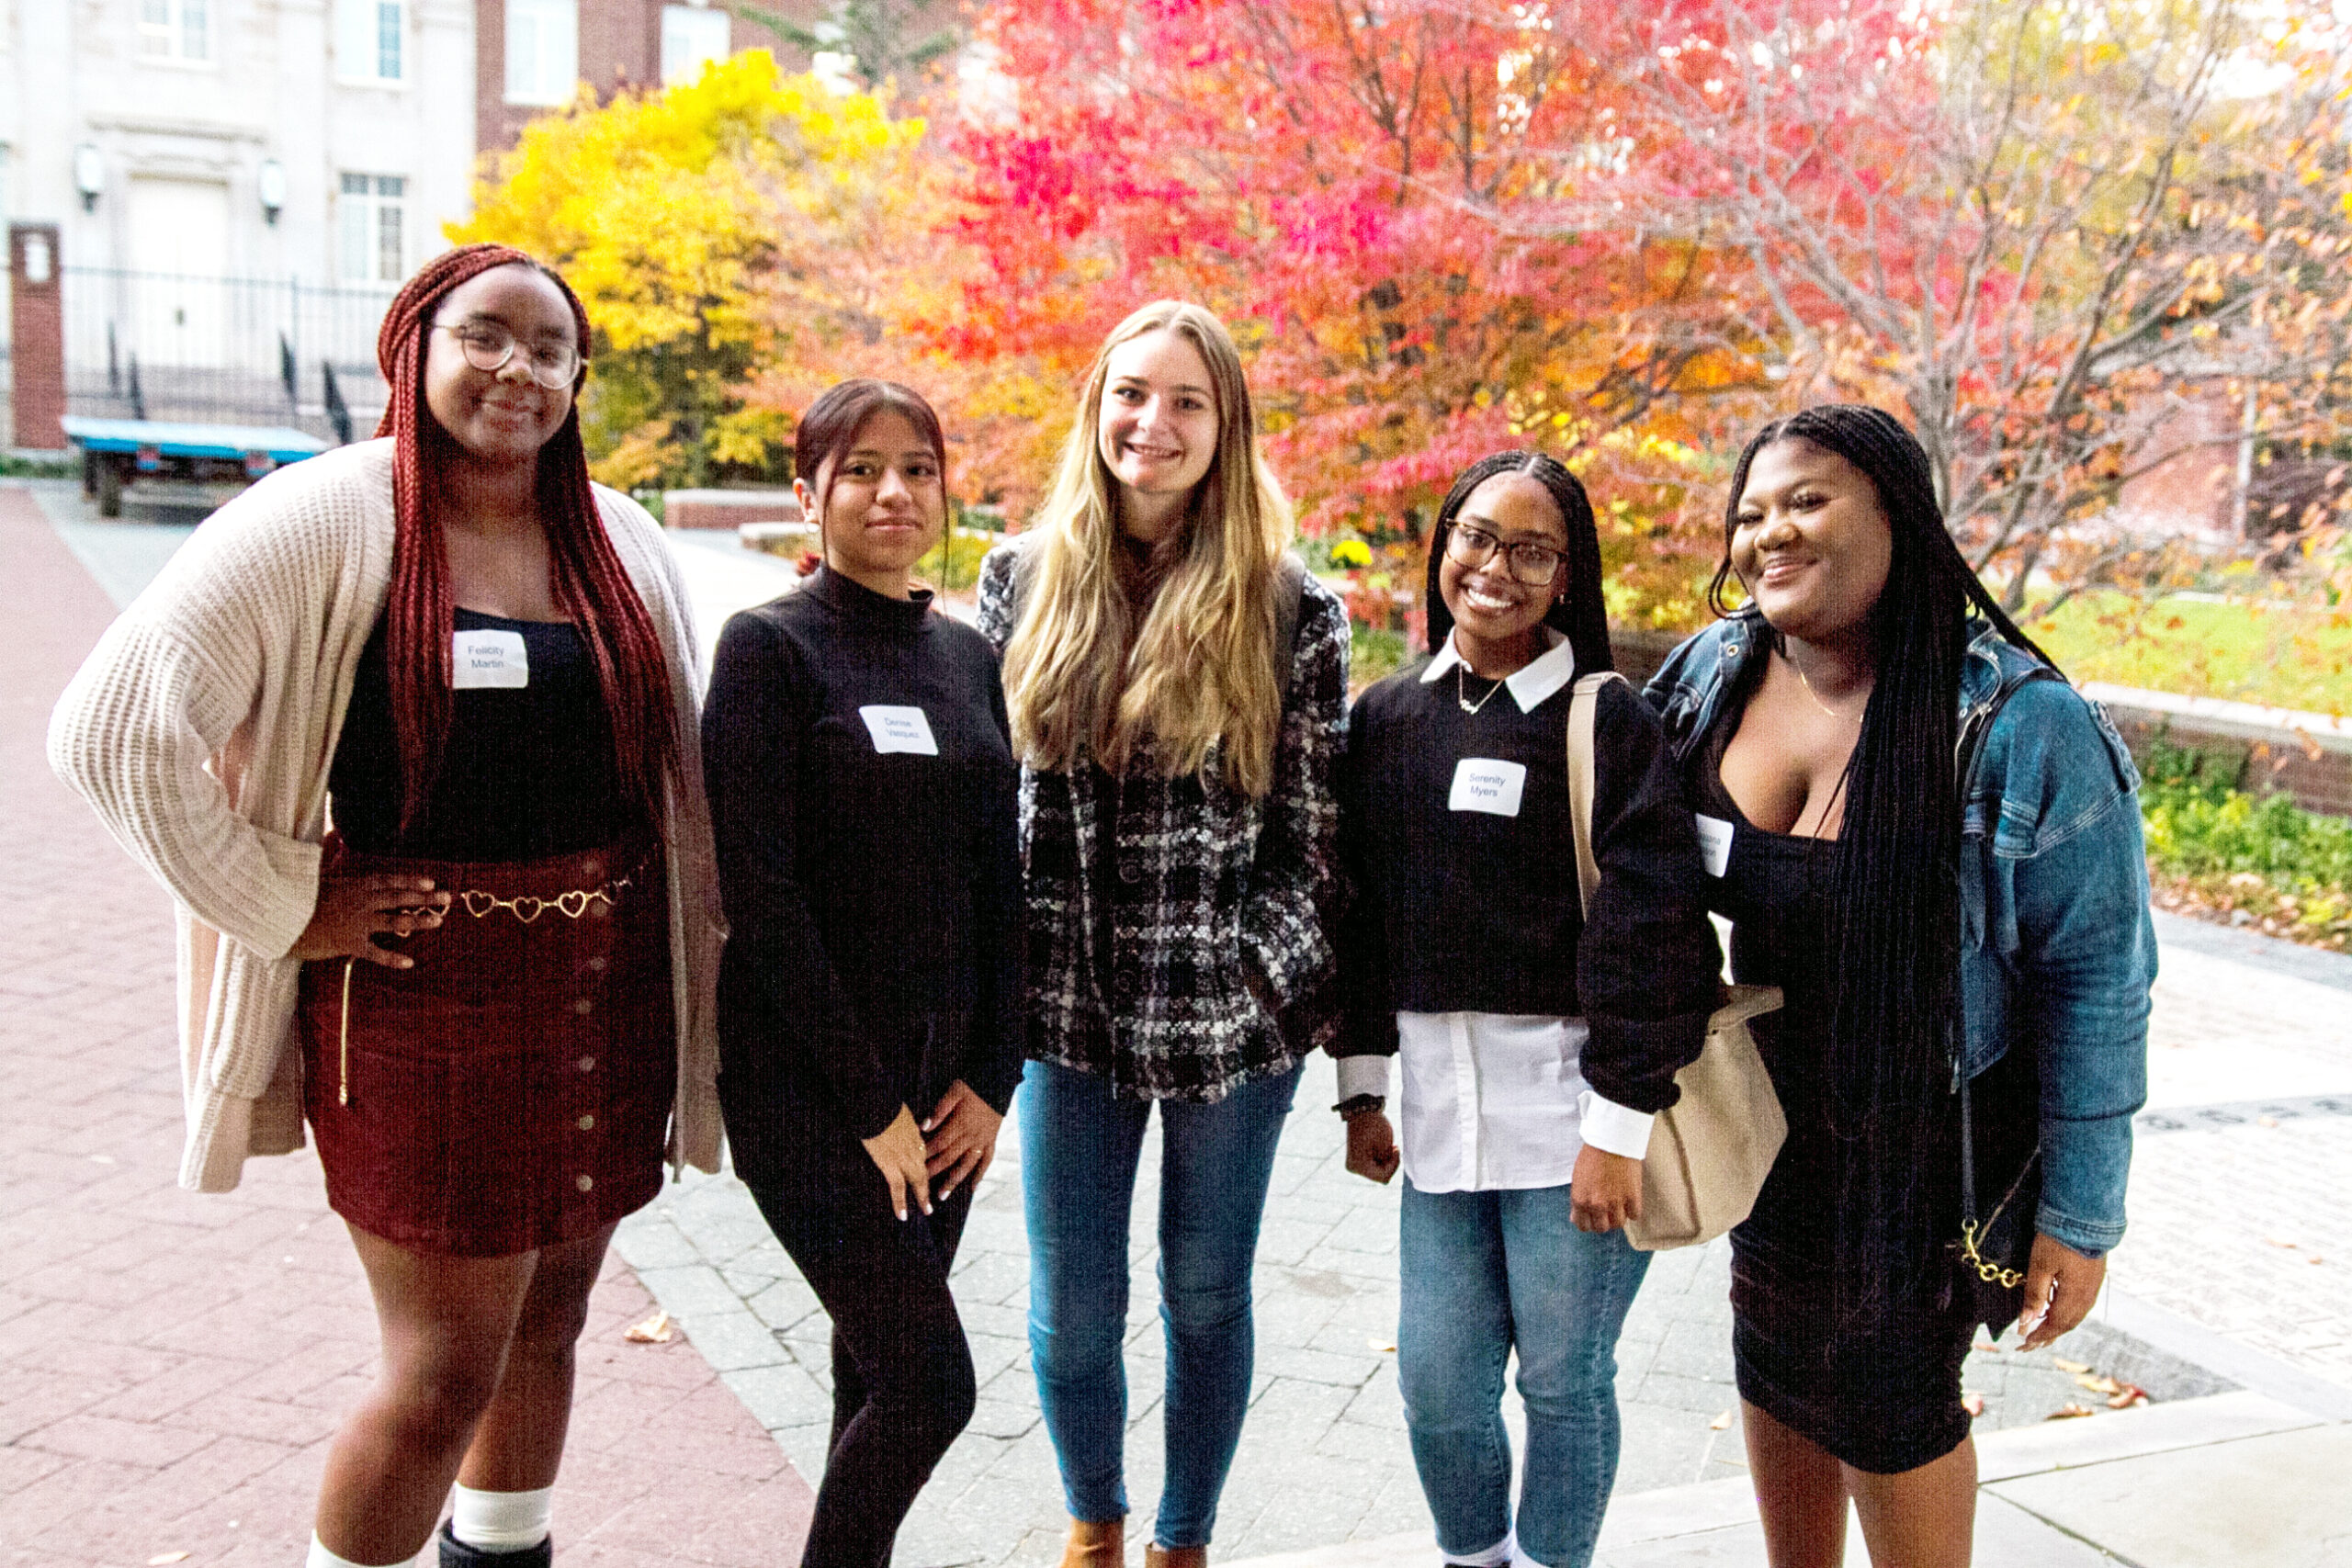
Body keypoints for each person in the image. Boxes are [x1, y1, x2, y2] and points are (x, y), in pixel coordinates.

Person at [47, 243, 724, 1568]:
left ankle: (502, 1550)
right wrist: (284, 900)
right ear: (411, 346)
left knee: (551, 1320)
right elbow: (112, 728)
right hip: (423, 1007)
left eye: (549, 346)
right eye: (484, 335)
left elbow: (679, 777)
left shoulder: (618, 535)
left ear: (580, 376)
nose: (517, 368)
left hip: (603, 990)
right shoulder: (324, 517)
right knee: (438, 1376)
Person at [1642, 405, 2154, 1567]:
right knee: (1770, 1362)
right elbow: (1613, 848)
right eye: (1750, 512)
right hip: (1765, 1114)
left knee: (1887, 1401)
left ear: (1897, 514)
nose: (1770, 531)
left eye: (1807, 500)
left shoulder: (2020, 728)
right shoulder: (1716, 671)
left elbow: (2097, 988)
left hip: (1931, 1134)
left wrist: (2081, 1218)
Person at [974, 300, 1350, 1568]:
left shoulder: (1294, 609)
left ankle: (1183, 1540)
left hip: (1226, 1018)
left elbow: (1316, 839)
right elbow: (986, 804)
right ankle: (1096, 1518)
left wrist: (1257, 975)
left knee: (1204, 1293)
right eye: (1133, 392)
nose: (1156, 421)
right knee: (1076, 1308)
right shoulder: (1018, 579)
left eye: (1189, 400)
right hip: (1061, 1013)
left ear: (1226, 427)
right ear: (1097, 407)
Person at [1333, 451, 1720, 1568]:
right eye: (1475, 535)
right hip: (1438, 1121)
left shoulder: (1608, 721)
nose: (1495, 567)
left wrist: (1617, 1131)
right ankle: (1474, 1558)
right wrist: (1361, 1092)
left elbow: (1654, 938)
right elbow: (1359, 922)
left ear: (1568, 577)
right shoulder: (1387, 717)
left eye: (1531, 548)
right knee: (1437, 1386)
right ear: (1442, 544)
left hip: (1575, 1125)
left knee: (1562, 1380)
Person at [702, 378, 1023, 1568]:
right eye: (861, 469)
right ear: (809, 492)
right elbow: (763, 897)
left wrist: (995, 1078)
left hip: (946, 1101)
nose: (894, 491)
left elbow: (1004, 883)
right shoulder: (769, 647)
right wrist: (868, 1105)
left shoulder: (967, 656)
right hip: (809, 1089)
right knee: (932, 1383)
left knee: (872, 1374)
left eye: (919, 469)